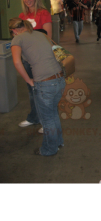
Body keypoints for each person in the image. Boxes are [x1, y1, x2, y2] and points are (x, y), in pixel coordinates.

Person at [9, 18, 66, 156]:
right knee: (53, 114)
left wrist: (29, 80)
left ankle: (49, 149)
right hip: (60, 79)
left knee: (47, 119)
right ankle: (58, 142)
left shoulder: (17, 39)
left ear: (14, 31)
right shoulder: (41, 34)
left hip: (45, 83)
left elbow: (17, 63)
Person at [18, 0, 53, 132]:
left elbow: (48, 37)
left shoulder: (43, 14)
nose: (27, 0)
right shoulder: (21, 16)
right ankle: (34, 117)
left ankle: (48, 122)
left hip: (40, 59)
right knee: (32, 89)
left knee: (43, 91)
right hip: (27, 58)